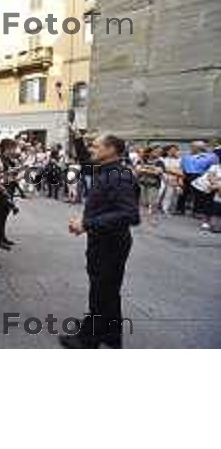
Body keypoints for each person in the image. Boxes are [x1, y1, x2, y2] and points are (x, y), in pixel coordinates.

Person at [61, 134, 140, 349]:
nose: (91, 149)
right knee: (108, 291)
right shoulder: (107, 168)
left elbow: (130, 214)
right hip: (104, 241)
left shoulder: (119, 175)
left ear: (111, 149)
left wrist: (86, 223)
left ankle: (89, 339)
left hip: (110, 245)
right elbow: (86, 164)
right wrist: (76, 138)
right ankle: (112, 335)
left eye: (95, 146)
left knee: (101, 292)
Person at [177, 141, 219, 216]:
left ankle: (197, 211)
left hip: (199, 175)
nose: (191, 148)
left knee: (199, 195)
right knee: (182, 193)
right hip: (186, 175)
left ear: (199, 148)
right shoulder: (186, 157)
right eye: (191, 146)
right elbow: (181, 168)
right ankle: (180, 209)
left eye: (193, 147)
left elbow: (213, 168)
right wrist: (180, 178)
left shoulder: (210, 157)